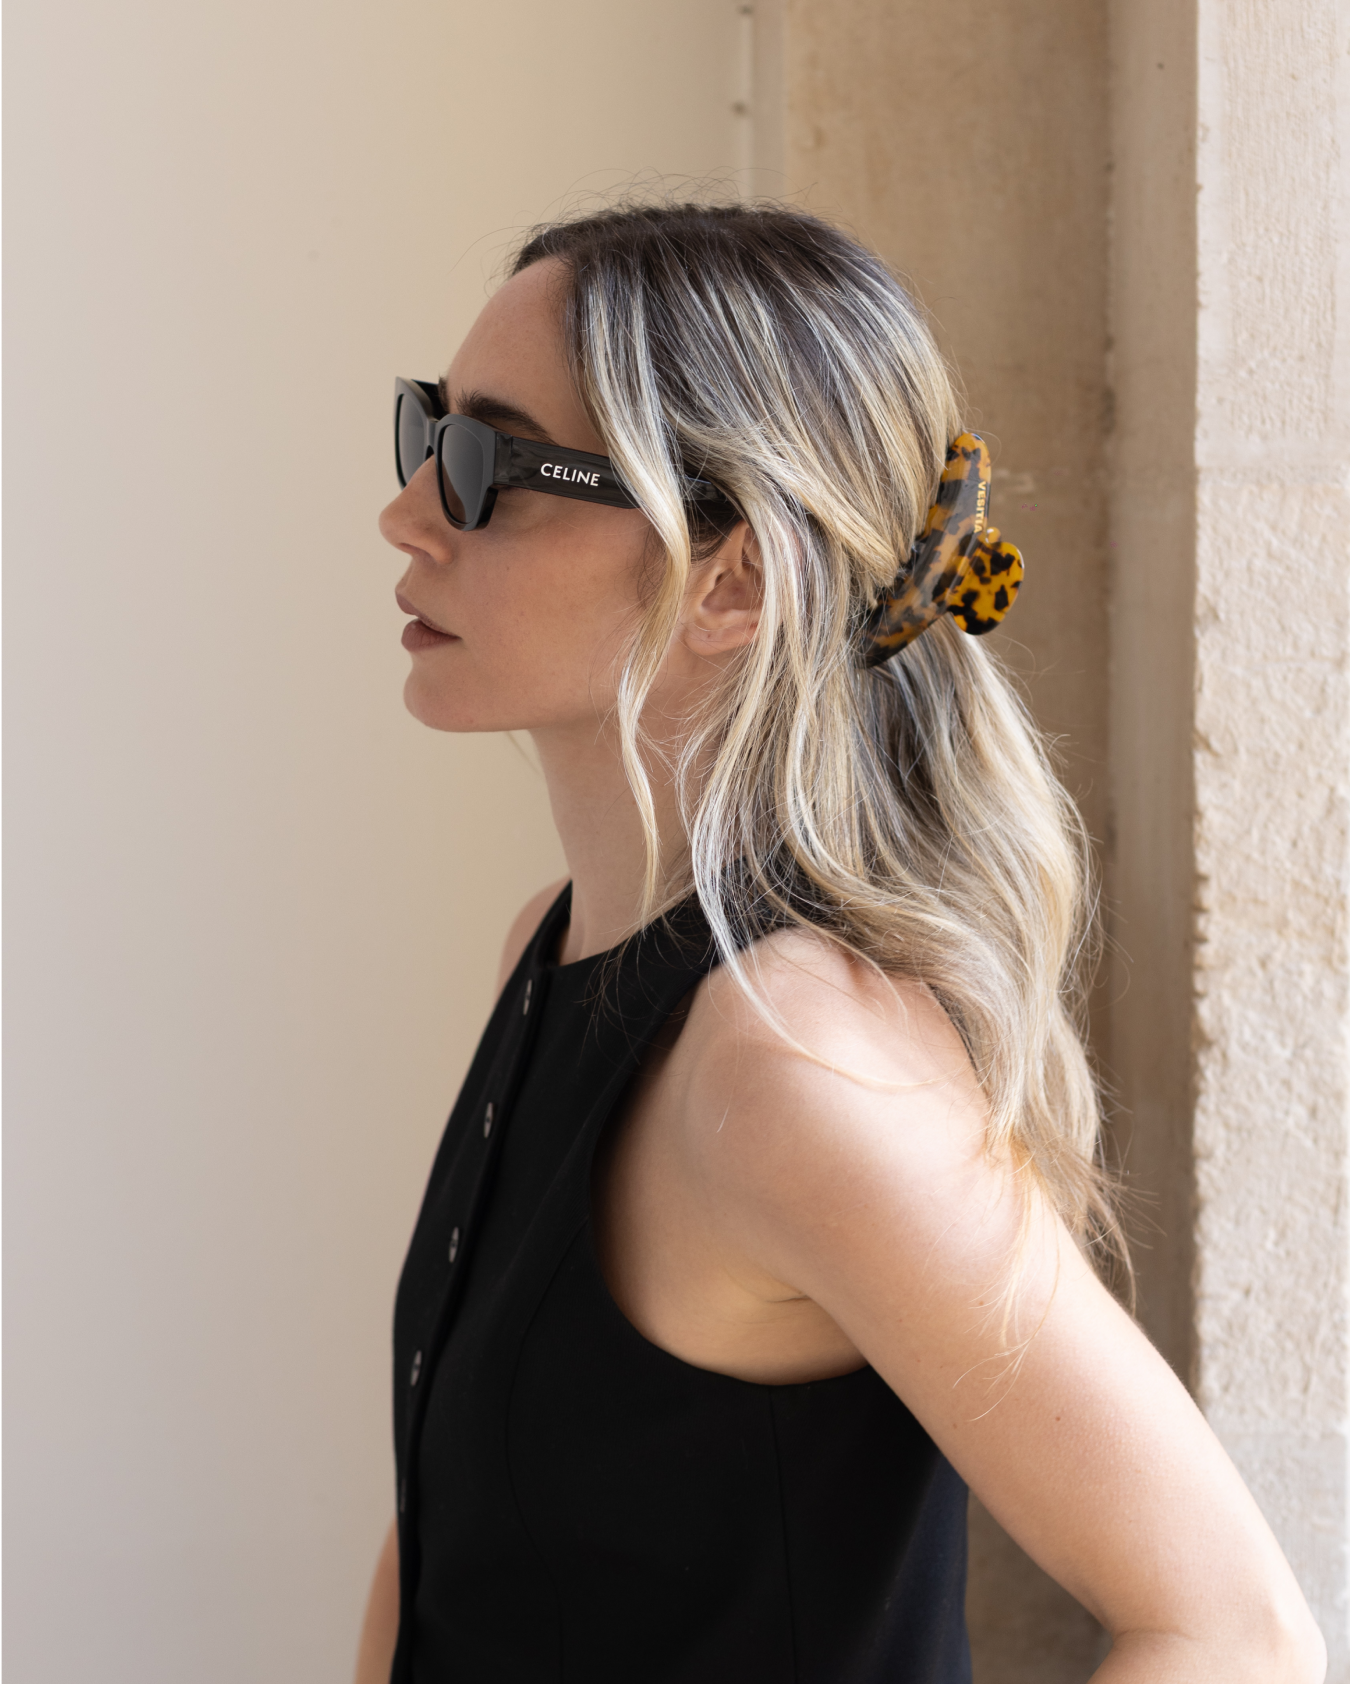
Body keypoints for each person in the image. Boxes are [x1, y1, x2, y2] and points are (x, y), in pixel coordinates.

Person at [357, 202, 1324, 1683]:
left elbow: (1229, 1627)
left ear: (728, 578)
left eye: (490, 462)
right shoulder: (549, 953)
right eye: (428, 432)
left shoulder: (793, 1066)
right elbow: (447, 1546)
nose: (412, 510)